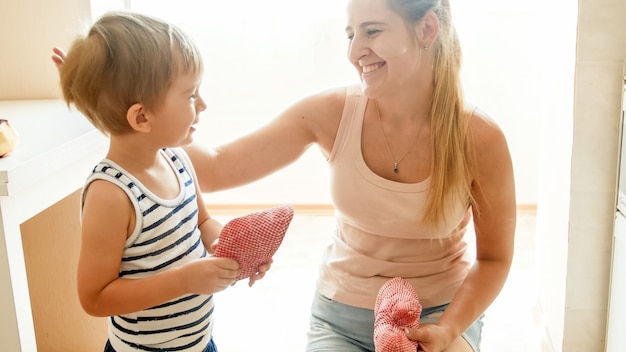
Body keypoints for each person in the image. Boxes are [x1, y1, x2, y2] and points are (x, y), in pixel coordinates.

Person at [54, 0, 515, 351]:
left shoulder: (480, 137)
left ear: (427, 29)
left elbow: (493, 260)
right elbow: (213, 168)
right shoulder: (330, 112)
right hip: (342, 312)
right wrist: (109, 100)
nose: (355, 52)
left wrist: (449, 328)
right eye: (350, 34)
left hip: (439, 311)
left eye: (372, 31)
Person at [55, 11, 270, 352]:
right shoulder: (111, 195)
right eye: (189, 95)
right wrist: (184, 280)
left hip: (199, 341)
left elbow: (202, 221)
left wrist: (235, 252)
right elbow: (94, 298)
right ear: (141, 117)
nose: (202, 104)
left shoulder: (176, 158)